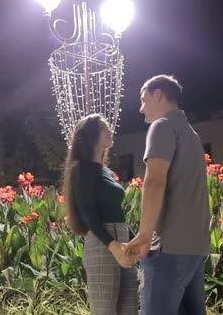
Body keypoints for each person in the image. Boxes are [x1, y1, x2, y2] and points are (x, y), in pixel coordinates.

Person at [125, 75, 210, 315]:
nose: (141, 109)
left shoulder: (162, 126)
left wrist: (144, 236)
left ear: (158, 94)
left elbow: (153, 182)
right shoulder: (190, 134)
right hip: (194, 246)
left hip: (169, 247)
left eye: (143, 100)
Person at [62, 113, 138, 315]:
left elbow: (117, 214)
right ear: (91, 134)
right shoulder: (81, 169)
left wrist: (138, 241)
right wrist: (113, 245)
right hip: (101, 243)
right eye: (104, 127)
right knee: (105, 311)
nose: (110, 131)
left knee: (130, 309)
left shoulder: (106, 171)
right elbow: (89, 213)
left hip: (121, 241)